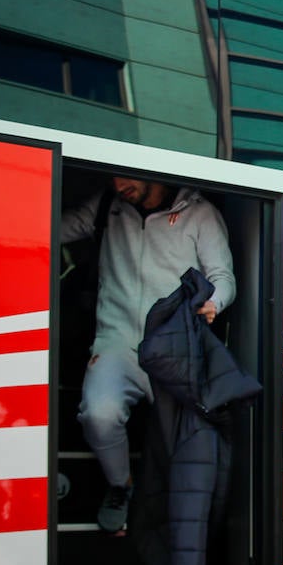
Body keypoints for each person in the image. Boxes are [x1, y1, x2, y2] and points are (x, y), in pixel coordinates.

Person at [60, 176, 236, 533]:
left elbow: (223, 276)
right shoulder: (109, 206)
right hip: (117, 338)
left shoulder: (200, 213)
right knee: (99, 414)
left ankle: (178, 529)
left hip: (174, 346)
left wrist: (213, 303)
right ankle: (120, 486)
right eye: (111, 177)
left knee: (186, 445)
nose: (116, 184)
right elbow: (54, 226)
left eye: (125, 178)